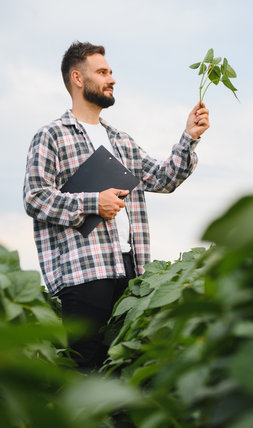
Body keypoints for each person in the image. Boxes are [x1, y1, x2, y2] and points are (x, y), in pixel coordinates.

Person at [23, 41, 210, 370]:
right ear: (78, 79)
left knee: (120, 369)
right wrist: (95, 202)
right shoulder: (51, 135)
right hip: (83, 272)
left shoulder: (121, 139)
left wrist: (189, 137)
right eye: (103, 72)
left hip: (129, 269)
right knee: (86, 368)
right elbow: (35, 196)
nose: (112, 79)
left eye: (111, 72)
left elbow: (162, 178)